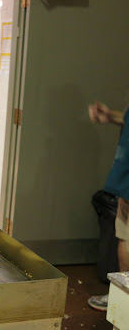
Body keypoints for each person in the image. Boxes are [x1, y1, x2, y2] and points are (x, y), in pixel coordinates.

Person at [87, 101, 129, 311]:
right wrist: (113, 116)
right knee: (124, 237)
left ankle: (124, 303)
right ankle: (123, 299)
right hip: (126, 177)